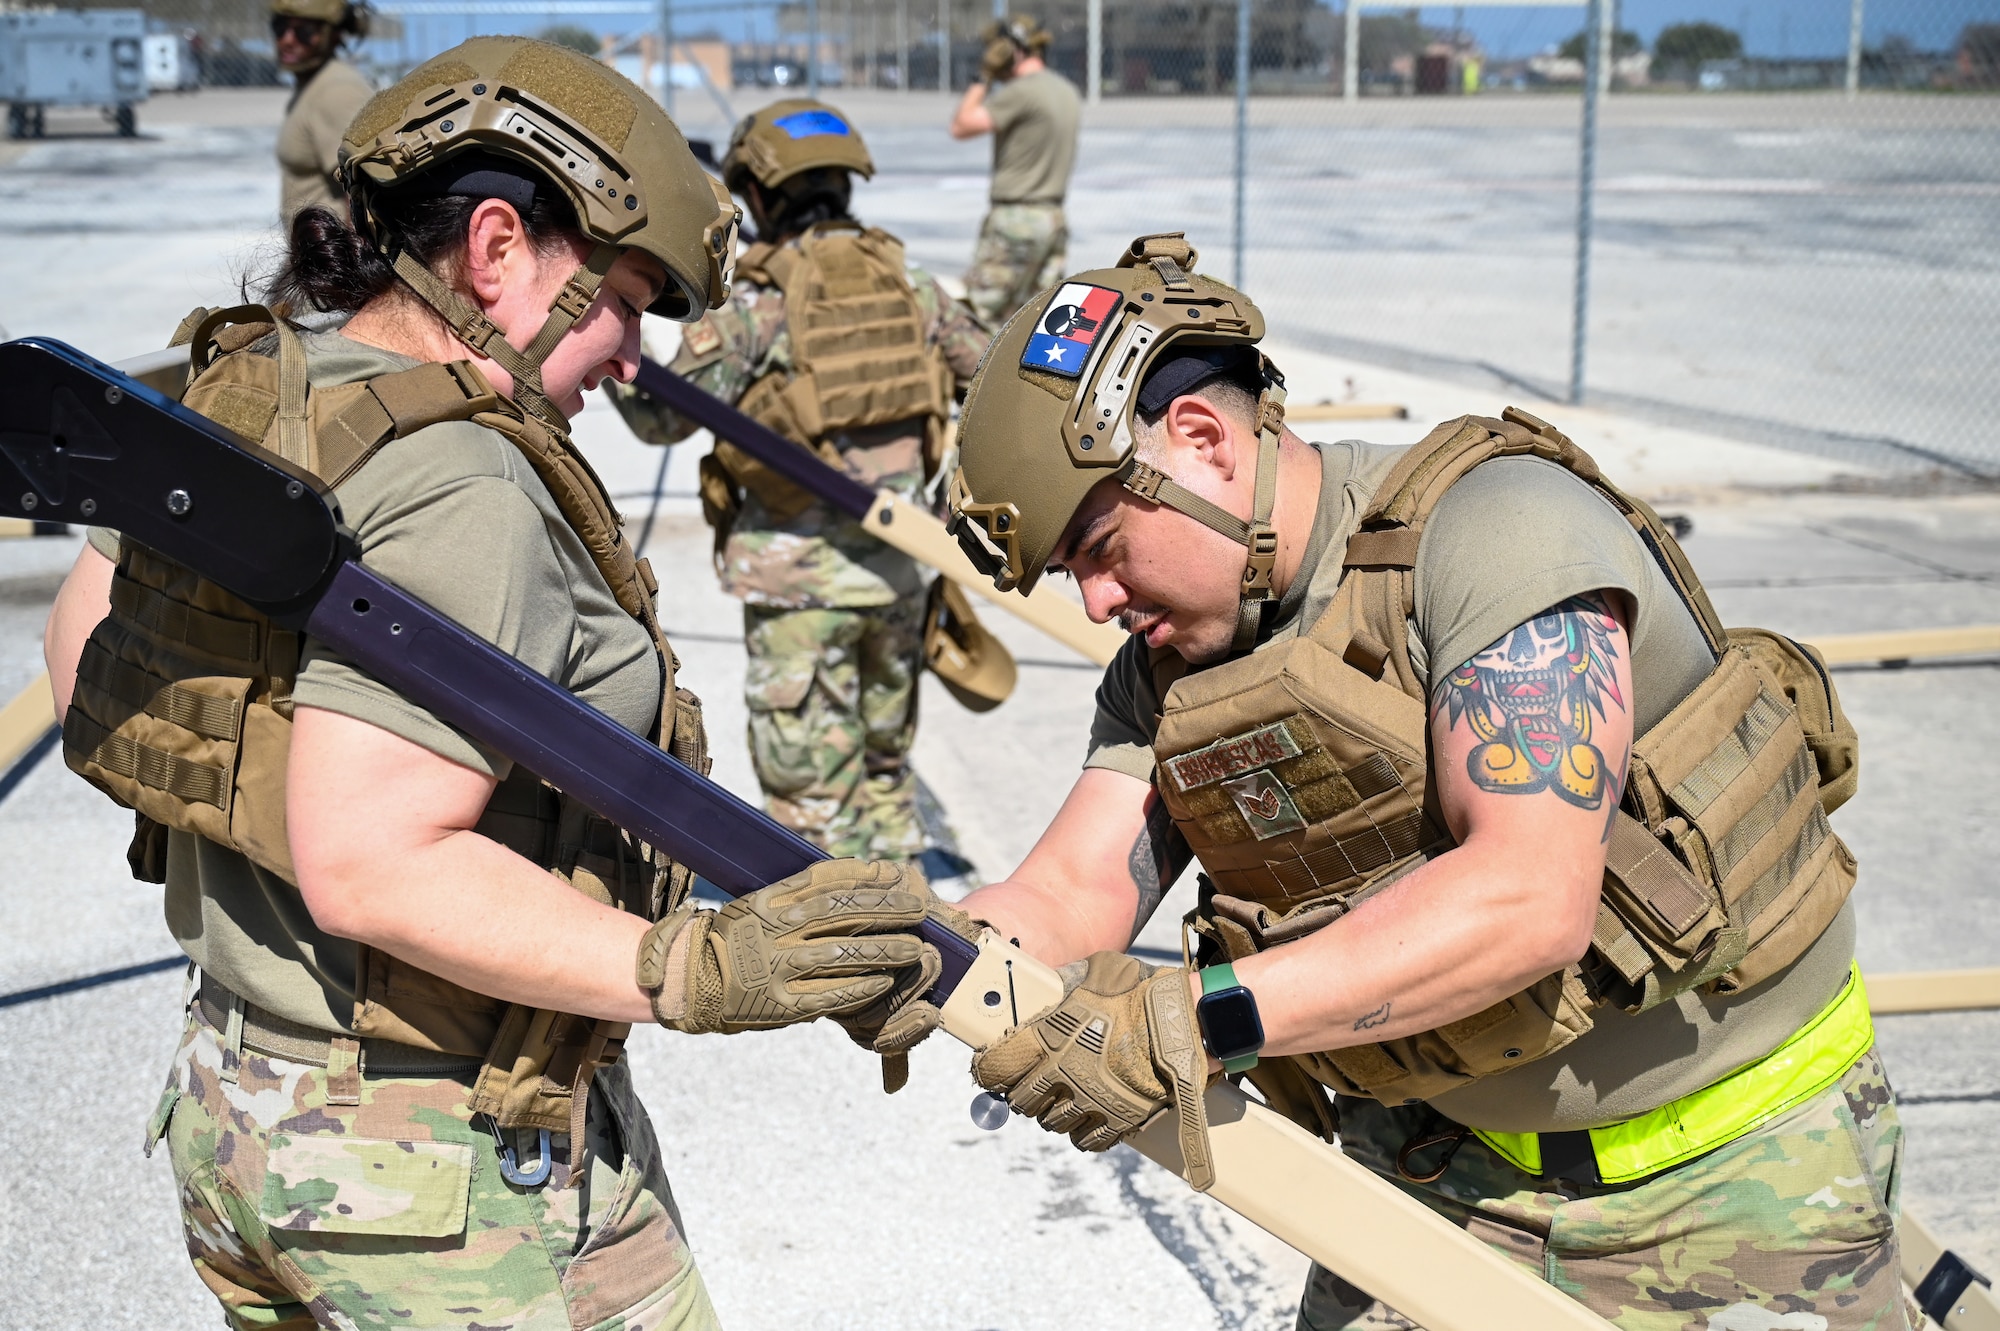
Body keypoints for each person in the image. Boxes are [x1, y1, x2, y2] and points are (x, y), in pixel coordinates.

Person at [43, 40, 951, 1329]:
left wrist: (278, 809)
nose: (633, 351)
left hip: (238, 1110)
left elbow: (88, 644)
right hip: (443, 1173)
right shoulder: (464, 479)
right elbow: (373, 861)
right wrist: (683, 962)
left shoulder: (255, 394)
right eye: (626, 297)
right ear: (495, 248)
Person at [924, 233, 1900, 1329]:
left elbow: (1526, 899)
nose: (1094, 602)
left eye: (1097, 547)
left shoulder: (1491, 531)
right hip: (1437, 1169)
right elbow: (1069, 890)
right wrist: (906, 947)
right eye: (1068, 575)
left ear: (1199, 440)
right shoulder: (1175, 664)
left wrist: (1191, 1020)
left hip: (1726, 1178)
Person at [609, 98, 990, 871]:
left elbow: (660, 417)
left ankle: (840, 947)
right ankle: (905, 910)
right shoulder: (908, 278)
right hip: (898, 572)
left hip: (798, 591)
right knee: (886, 776)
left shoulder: (763, 300)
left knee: (813, 799)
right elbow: (985, 378)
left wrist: (608, 326)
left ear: (757, 191)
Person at [947, 15, 1080, 326]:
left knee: (979, 315)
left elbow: (961, 125)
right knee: (1039, 320)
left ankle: (975, 377)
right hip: (1052, 218)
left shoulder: (1021, 92)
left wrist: (984, 75)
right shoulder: (1065, 90)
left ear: (1014, 50)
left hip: (1015, 222)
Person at [271, 0, 374, 223]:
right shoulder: (312, 85)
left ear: (334, 35)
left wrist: (354, 256)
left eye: (304, 32)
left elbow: (364, 193)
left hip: (333, 253)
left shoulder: (336, 91)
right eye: (280, 27)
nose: (287, 40)